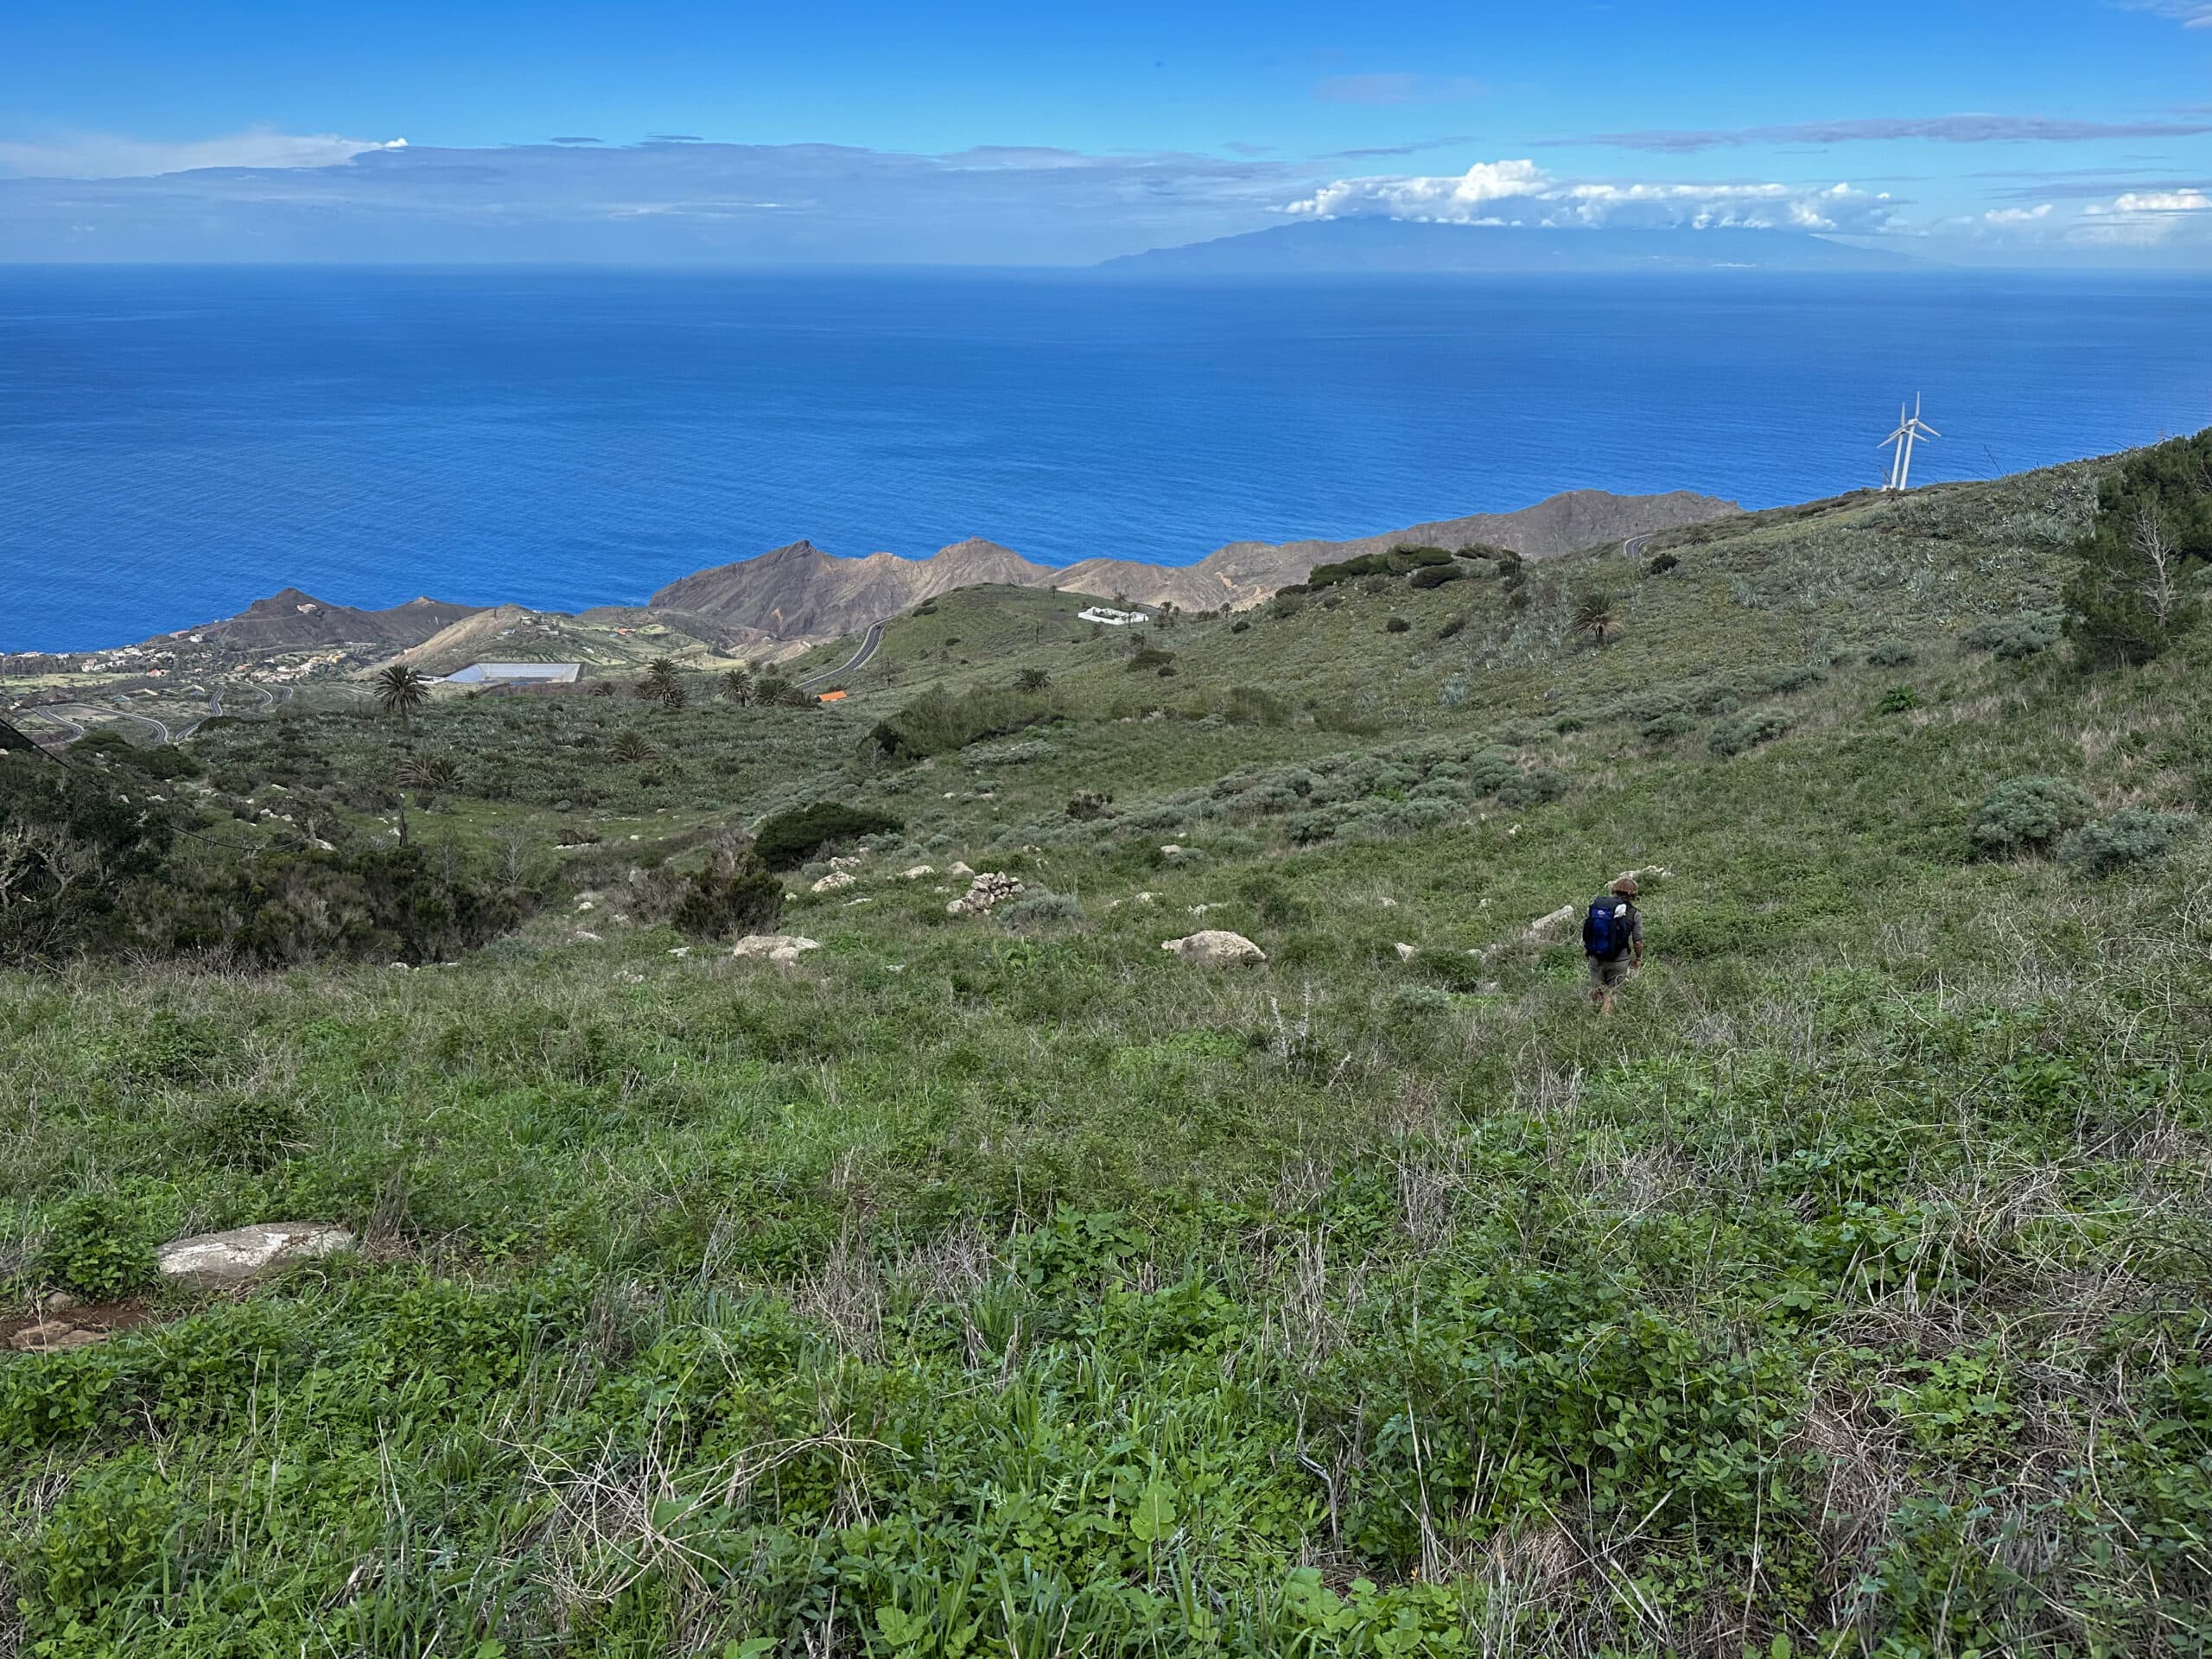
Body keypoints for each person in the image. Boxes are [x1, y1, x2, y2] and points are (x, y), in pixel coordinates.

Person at [1583, 874, 1643, 1014]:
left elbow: (1589, 929)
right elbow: (1638, 941)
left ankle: (1590, 1018)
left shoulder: (1600, 907)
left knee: (1597, 990)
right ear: (1633, 894)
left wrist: (1587, 949)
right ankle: (1603, 1024)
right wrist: (1638, 959)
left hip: (1596, 957)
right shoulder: (1635, 914)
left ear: (1614, 890)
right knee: (1612, 993)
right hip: (1619, 961)